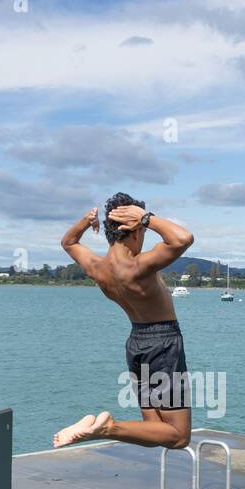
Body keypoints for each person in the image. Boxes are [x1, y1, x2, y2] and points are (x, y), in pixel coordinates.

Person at [53, 192, 195, 449]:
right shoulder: (139, 266)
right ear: (134, 229)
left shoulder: (98, 267)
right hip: (163, 344)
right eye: (142, 229)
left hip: (136, 344)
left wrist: (86, 221)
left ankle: (99, 428)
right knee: (179, 435)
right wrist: (146, 218)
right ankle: (106, 428)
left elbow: (69, 242)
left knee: (155, 430)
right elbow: (183, 239)